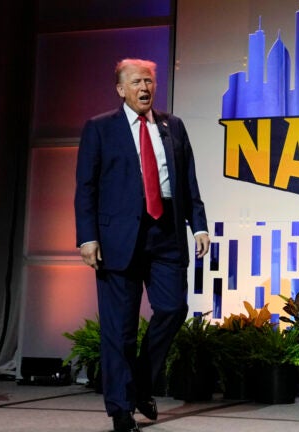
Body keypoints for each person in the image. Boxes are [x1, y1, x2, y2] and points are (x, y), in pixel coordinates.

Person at [74, 58, 210, 432]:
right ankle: (121, 409)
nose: (144, 88)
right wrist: (87, 237)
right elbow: (85, 187)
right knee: (119, 328)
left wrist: (198, 226)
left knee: (172, 308)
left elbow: (188, 183)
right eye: (136, 82)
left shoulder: (173, 126)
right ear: (121, 89)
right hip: (118, 239)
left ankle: (141, 382)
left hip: (165, 232)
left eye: (148, 81)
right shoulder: (100, 128)